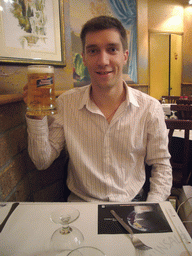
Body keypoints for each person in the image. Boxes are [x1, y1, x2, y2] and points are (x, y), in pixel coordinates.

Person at [23, 15, 172, 202]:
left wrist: (151, 209)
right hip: (81, 206)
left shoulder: (150, 108)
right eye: (93, 51)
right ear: (84, 58)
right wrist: (36, 115)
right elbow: (41, 161)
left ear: (124, 56)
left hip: (131, 205)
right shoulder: (66, 104)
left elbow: (161, 165)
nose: (103, 60)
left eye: (112, 49)